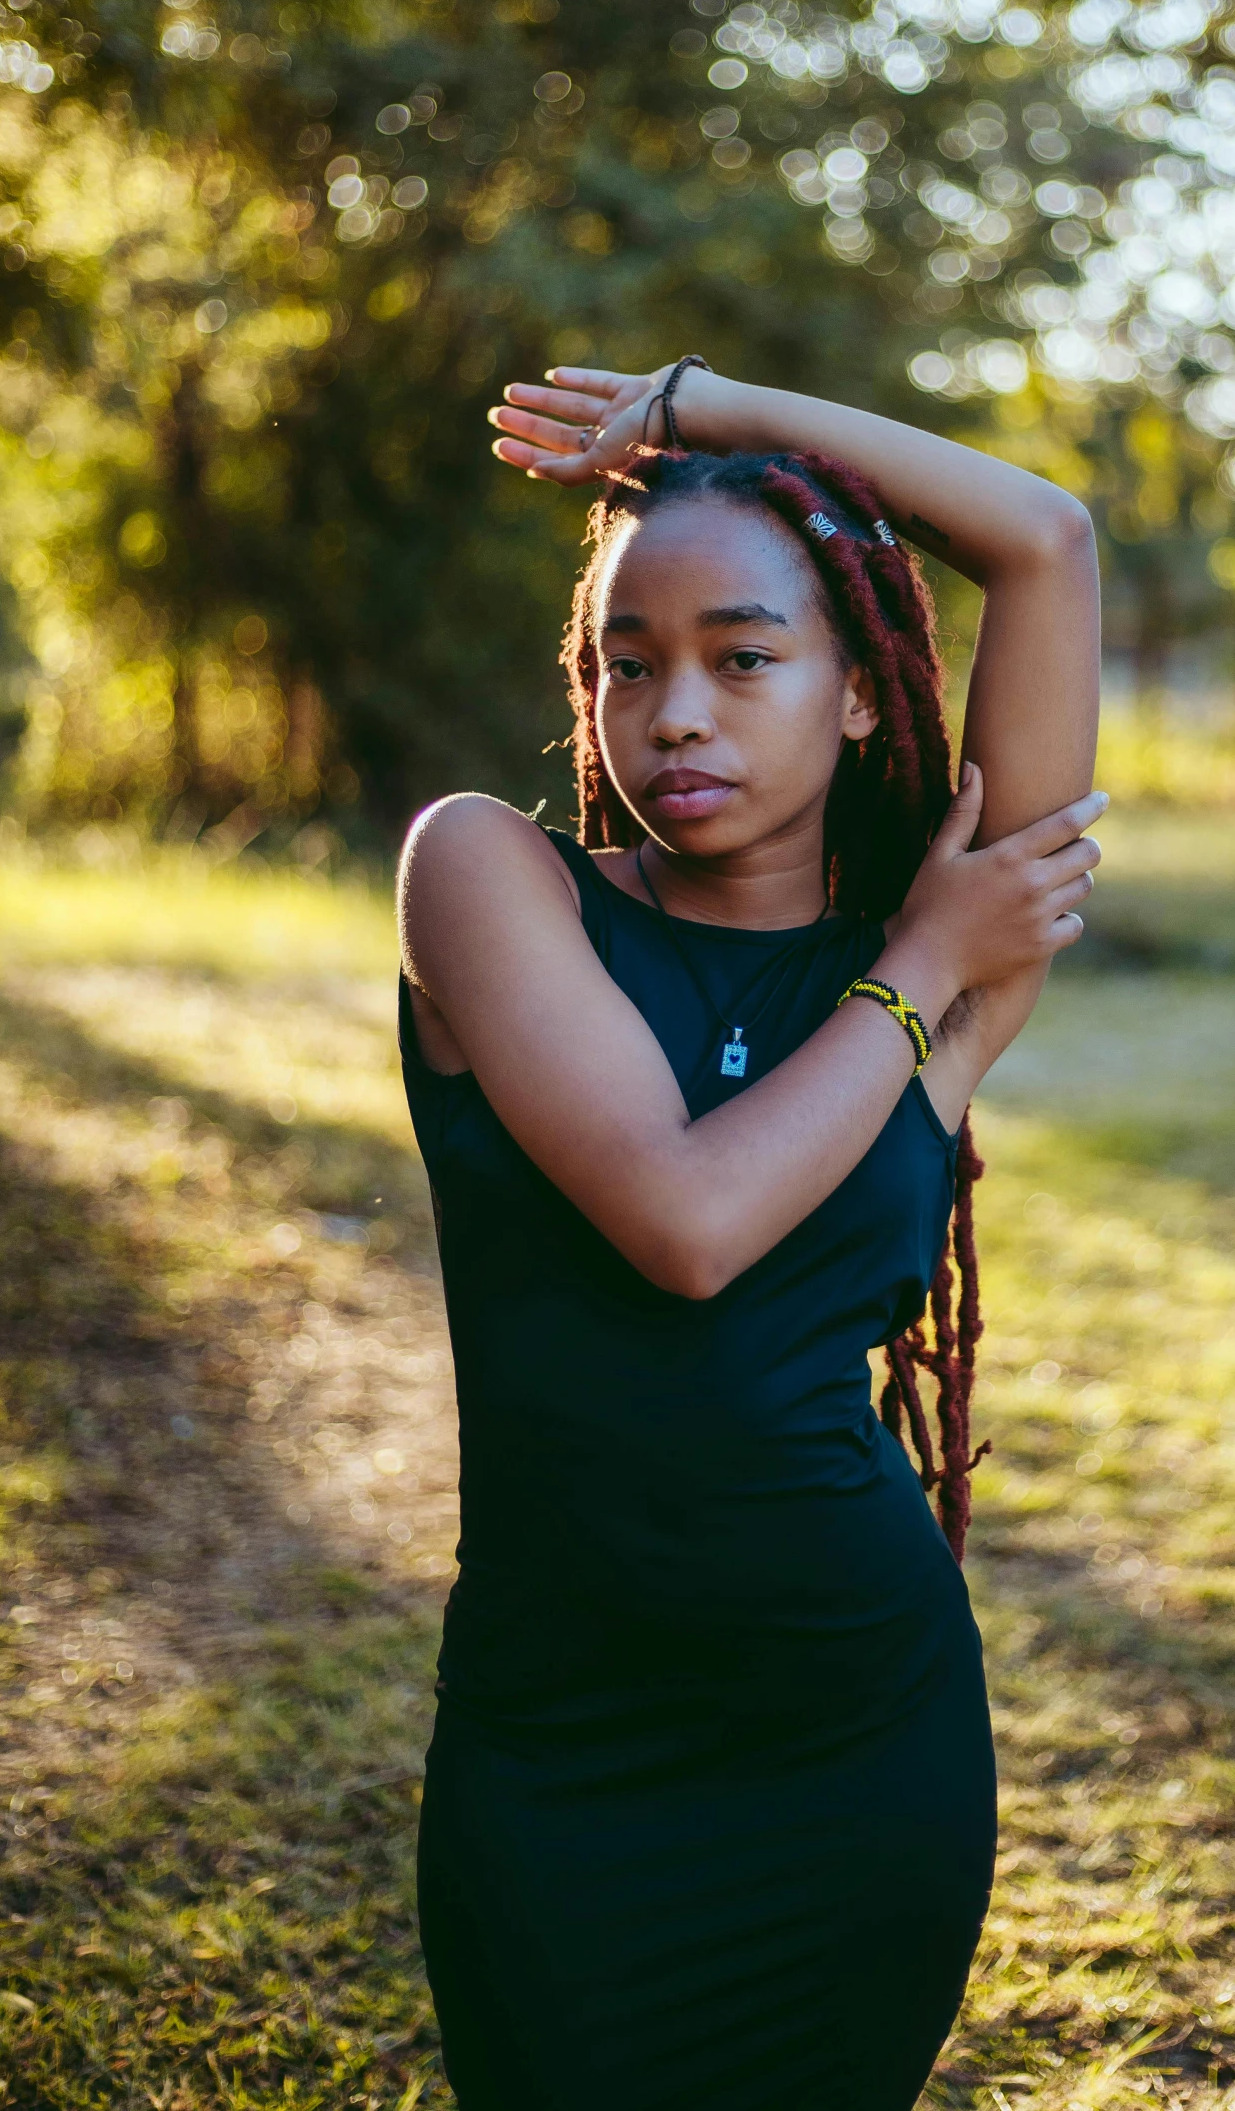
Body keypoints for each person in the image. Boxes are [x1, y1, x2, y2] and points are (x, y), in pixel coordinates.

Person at [395, 352, 1102, 2110]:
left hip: (855, 1741)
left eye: (745, 654)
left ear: (862, 690)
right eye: (630, 666)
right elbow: (687, 1223)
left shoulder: (939, 937)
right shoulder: (490, 876)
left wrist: (706, 411)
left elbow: (1045, 541)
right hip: (559, 1745)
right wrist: (926, 963)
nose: (678, 713)